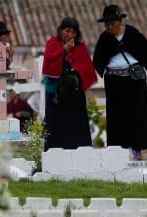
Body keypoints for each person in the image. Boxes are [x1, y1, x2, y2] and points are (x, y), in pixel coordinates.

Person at [93, 5, 147, 160]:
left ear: (119, 21)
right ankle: (117, 152)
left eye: (112, 23)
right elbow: (97, 59)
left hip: (134, 81)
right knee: (116, 115)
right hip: (114, 82)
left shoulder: (132, 34)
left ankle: (137, 151)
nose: (109, 27)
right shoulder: (105, 38)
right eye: (106, 24)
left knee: (137, 115)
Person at [42, 17, 97, 151]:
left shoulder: (80, 47)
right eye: (67, 31)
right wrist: (64, 50)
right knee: (56, 126)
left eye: (73, 32)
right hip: (56, 94)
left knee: (76, 125)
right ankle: (54, 154)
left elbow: (85, 67)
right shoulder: (52, 43)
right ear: (60, 30)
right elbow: (49, 61)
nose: (70, 35)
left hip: (75, 95)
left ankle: (81, 153)